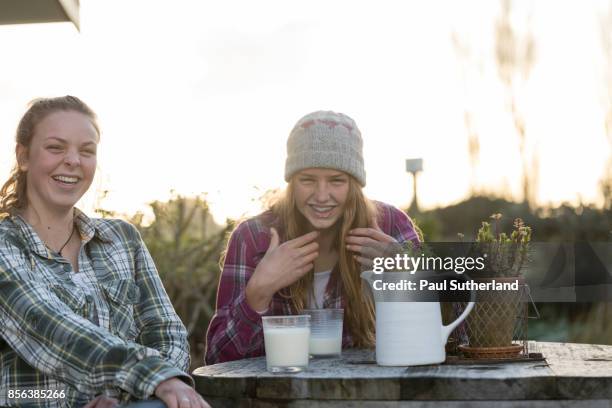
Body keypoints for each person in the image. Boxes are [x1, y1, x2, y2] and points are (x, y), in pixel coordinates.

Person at [0, 96, 209, 408]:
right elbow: (48, 327)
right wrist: (150, 377)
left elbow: (166, 333)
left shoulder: (122, 239)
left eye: (86, 151)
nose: (73, 160)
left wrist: (124, 397)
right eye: (56, 147)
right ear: (23, 156)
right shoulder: (5, 246)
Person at [205, 110, 420, 364]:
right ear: (291, 183)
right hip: (280, 398)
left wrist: (405, 276)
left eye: (336, 181)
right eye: (307, 180)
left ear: (354, 184)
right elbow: (218, 360)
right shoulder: (253, 238)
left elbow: (440, 335)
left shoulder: (391, 225)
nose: (321, 195)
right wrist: (258, 293)